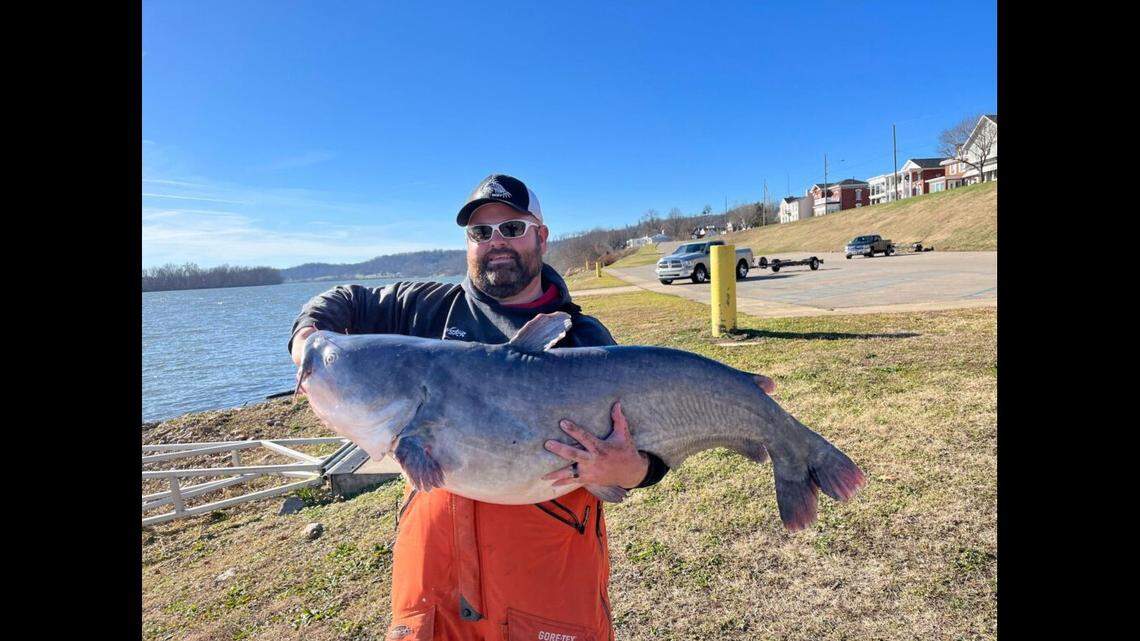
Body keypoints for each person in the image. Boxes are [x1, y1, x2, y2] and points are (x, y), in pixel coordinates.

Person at [287, 174, 670, 641]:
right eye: (480, 232)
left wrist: (627, 469)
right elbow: (342, 300)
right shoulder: (428, 309)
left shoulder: (587, 342)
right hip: (434, 585)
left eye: (511, 228)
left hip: (547, 580)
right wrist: (307, 338)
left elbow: (649, 461)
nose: (495, 243)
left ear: (541, 236)